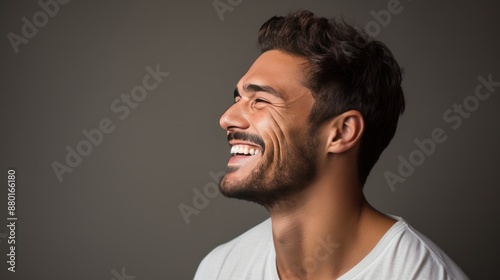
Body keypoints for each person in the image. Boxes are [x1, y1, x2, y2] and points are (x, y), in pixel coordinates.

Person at [195, 10, 468, 280]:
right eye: (237, 100)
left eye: (260, 101)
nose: (226, 119)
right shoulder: (219, 269)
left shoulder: (422, 274)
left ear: (341, 133)